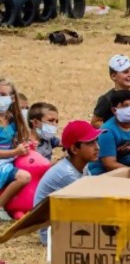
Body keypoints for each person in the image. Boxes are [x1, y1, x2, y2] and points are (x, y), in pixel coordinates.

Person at [33, 120, 103, 245]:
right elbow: (91, 204)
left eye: (96, 141)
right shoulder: (66, 174)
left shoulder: (82, 166)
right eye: (90, 143)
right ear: (75, 149)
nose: (97, 147)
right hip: (53, 233)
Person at [87, 90, 130, 175]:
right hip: (107, 174)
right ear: (114, 110)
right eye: (125, 106)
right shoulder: (107, 131)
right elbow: (109, 164)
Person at [0, 79, 31, 221]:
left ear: (12, 99)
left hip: (10, 160)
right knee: (24, 177)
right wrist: (15, 152)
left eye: (2, 94)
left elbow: (17, 141)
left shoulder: (12, 120)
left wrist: (27, 145)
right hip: (3, 162)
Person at [91, 55, 130, 127]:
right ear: (113, 76)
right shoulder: (106, 99)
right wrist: (113, 130)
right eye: (125, 72)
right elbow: (95, 122)